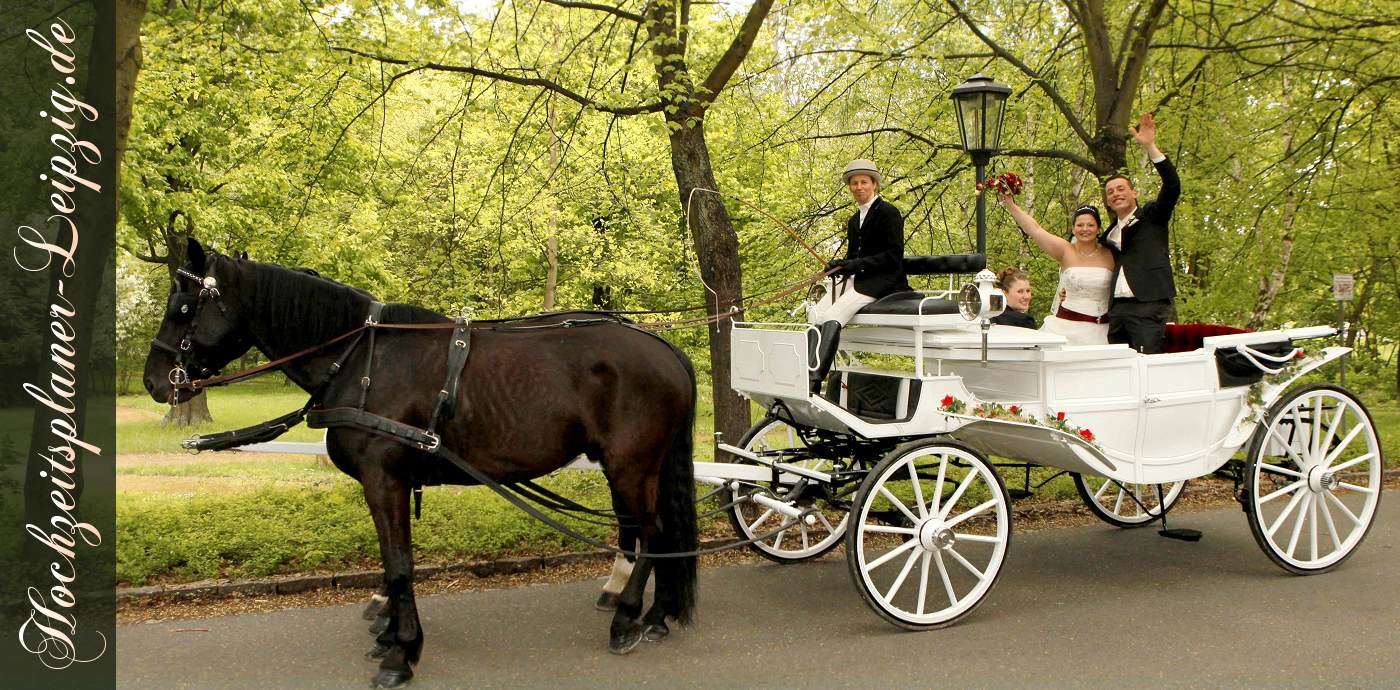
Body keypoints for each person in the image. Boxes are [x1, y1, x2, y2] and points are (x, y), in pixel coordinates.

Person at [808, 158, 911, 393]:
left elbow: (892, 256)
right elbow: (853, 255)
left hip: (883, 281)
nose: (859, 187)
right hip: (858, 279)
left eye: (864, 182)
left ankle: (814, 379)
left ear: (874, 184)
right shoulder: (855, 220)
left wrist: (853, 265)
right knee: (816, 314)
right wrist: (839, 266)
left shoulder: (889, 213)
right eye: (854, 183)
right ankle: (805, 367)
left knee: (833, 315)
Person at [1102, 112, 1181, 353]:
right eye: (1110, 192)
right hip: (1117, 311)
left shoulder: (1152, 216)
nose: (1116, 194)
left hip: (1148, 305)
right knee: (1119, 369)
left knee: (1147, 366)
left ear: (1133, 192)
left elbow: (1172, 186)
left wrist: (1150, 146)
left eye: (1121, 189)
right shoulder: (1108, 234)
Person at [997, 194, 1115, 345]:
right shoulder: (1065, 250)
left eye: (1090, 225)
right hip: (1067, 327)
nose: (1085, 229)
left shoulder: (1111, 254)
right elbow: (1036, 230)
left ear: (1098, 228)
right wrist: (1010, 204)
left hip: (1102, 330)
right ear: (1073, 228)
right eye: (1080, 225)